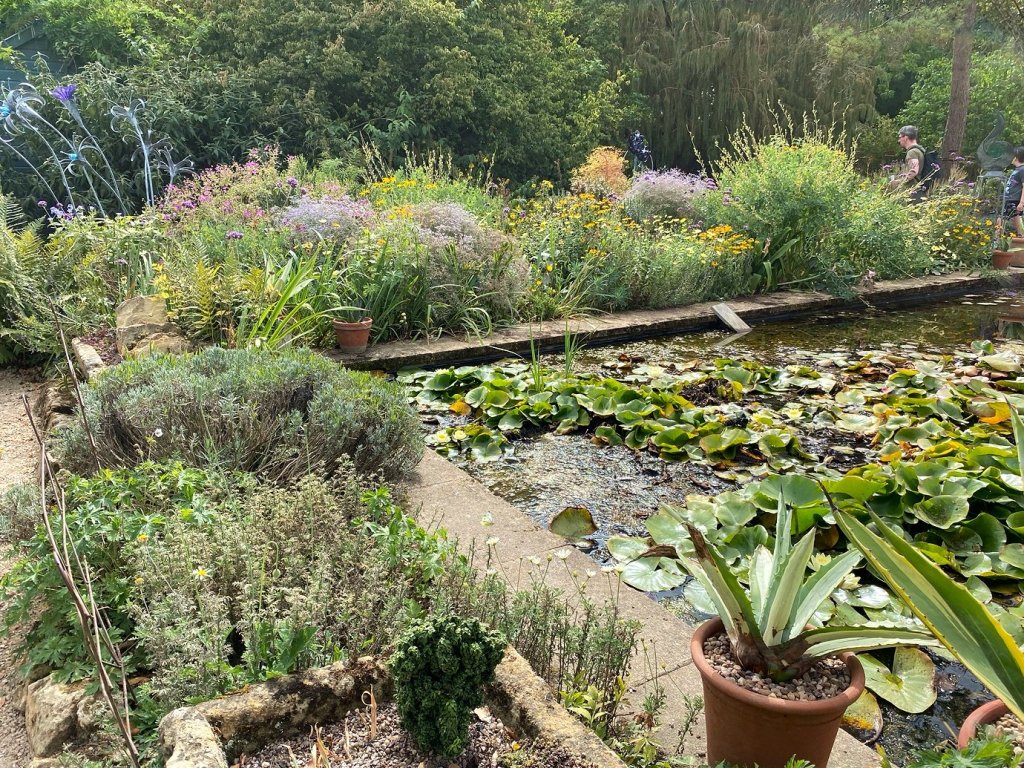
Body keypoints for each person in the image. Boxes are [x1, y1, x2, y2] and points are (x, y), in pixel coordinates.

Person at [887, 125, 927, 202]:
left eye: (900, 137)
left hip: (913, 191)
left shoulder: (912, 152)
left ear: (906, 137)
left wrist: (899, 181)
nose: (899, 140)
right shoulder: (920, 150)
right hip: (919, 190)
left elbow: (914, 171)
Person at [1003, 146, 1024, 237]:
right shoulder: (1017, 169)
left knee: (1000, 219)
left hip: (1014, 200)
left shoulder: (1022, 170)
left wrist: (1021, 203)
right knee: (1016, 220)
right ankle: (1021, 238)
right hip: (1010, 199)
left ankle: (996, 240)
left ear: (1016, 157)